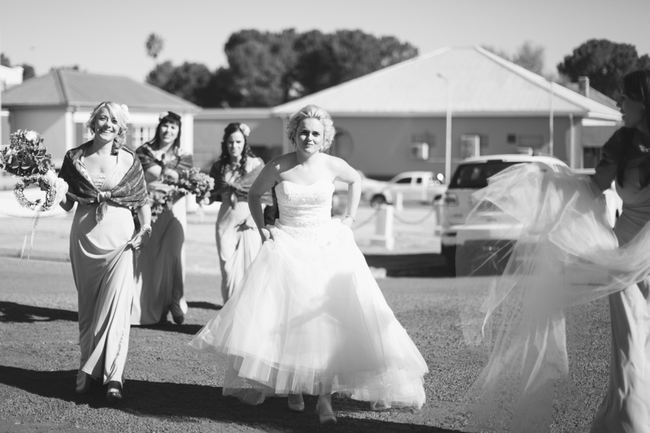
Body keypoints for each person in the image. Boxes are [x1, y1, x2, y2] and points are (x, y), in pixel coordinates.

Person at [191, 105, 428, 424]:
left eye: (316, 133)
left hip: (327, 244)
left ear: (325, 137)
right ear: (294, 134)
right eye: (304, 132)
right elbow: (255, 195)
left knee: (326, 322)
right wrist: (264, 229)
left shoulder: (334, 165)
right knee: (287, 318)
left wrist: (349, 218)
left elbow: (355, 182)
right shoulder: (278, 166)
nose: (309, 137)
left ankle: (325, 398)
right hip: (286, 243)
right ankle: (294, 389)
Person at [462, 70, 650, 433]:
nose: (618, 105)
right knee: (632, 344)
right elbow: (593, 188)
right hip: (624, 256)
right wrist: (544, 191)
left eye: (625, 98)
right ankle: (631, 423)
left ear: (645, 100)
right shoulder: (622, 143)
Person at [57, 101, 151, 403]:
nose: (107, 124)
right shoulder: (74, 158)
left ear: (120, 126)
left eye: (113, 120)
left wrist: (144, 228)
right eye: (101, 118)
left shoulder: (129, 159)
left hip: (121, 241)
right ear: (92, 122)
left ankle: (113, 375)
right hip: (85, 237)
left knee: (117, 308)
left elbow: (142, 199)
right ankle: (87, 367)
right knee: (89, 307)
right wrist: (52, 190)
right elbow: (67, 203)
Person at [131, 111, 192, 325]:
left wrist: (178, 184)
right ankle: (144, 309)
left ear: (178, 131)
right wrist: (170, 177)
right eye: (166, 125)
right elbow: (148, 174)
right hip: (149, 209)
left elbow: (186, 183)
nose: (169, 130)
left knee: (173, 256)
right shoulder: (143, 152)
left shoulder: (184, 156)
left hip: (175, 211)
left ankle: (175, 302)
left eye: (173, 127)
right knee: (147, 259)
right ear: (159, 127)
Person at [208, 122, 264, 304]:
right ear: (225, 143)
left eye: (239, 142)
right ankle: (228, 309)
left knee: (248, 267)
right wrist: (203, 195)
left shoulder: (256, 165)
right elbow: (212, 194)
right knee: (227, 269)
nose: (235, 146)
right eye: (231, 142)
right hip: (226, 220)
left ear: (245, 143)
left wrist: (253, 218)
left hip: (249, 220)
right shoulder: (219, 167)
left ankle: (246, 312)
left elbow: (265, 195)